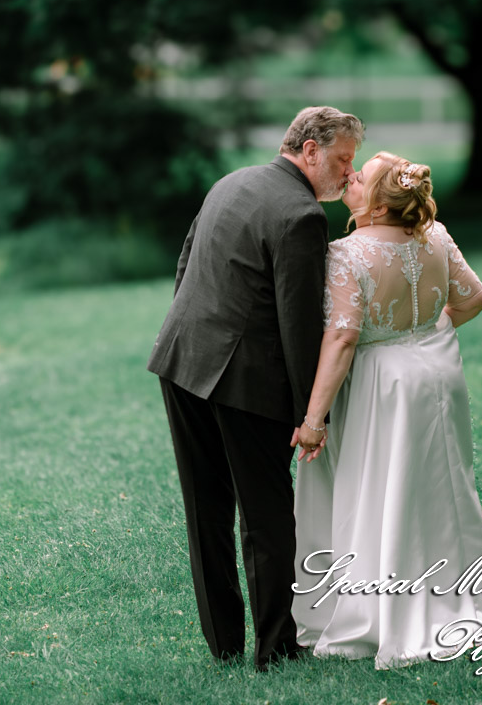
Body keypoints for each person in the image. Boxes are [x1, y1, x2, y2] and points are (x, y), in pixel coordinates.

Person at [148, 105, 364, 671]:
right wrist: (307, 415)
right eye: (343, 160)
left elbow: (185, 263)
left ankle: (223, 645)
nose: (348, 173)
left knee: (206, 509)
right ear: (311, 150)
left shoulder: (232, 180)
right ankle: (276, 651)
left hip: (181, 359)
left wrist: (186, 334)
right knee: (267, 518)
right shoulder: (303, 215)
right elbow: (298, 327)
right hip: (244, 382)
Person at [290, 152, 482, 669]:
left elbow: (344, 336)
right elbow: (473, 299)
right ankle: (459, 600)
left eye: (360, 177)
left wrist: (312, 421)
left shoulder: (345, 254)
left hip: (381, 385)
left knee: (380, 489)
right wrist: (423, 335)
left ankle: (382, 614)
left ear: (375, 203)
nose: (349, 178)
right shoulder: (436, 236)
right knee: (440, 486)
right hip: (437, 374)